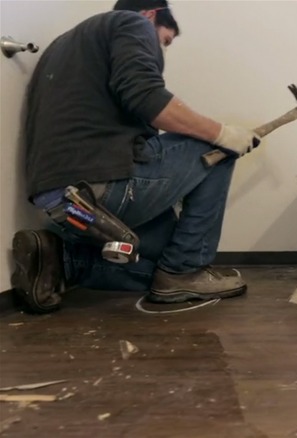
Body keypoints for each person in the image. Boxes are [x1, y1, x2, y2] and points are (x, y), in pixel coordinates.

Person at [13, 0, 259, 313]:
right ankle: (186, 271)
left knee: (157, 267)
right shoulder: (132, 23)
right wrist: (223, 134)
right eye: (165, 41)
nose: (163, 52)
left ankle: (61, 259)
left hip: (61, 202)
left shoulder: (64, 46)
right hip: (100, 187)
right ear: (151, 14)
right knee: (217, 149)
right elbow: (146, 97)